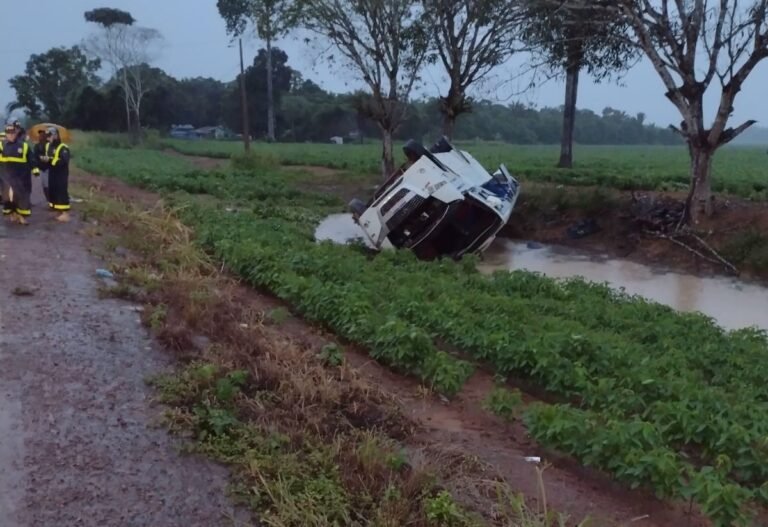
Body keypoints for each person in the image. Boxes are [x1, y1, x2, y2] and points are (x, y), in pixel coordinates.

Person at [0, 121, 34, 224]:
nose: (11, 134)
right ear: (6, 133)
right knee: (8, 197)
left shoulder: (23, 145)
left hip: (21, 175)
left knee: (21, 195)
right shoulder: (2, 145)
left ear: (16, 132)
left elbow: (31, 158)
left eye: (13, 132)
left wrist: (35, 169)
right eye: (8, 132)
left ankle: (22, 216)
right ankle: (12, 214)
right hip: (6, 175)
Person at [43, 126, 71, 222]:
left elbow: (63, 161)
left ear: (55, 136)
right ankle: (57, 211)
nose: (48, 138)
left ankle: (65, 214)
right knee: (53, 191)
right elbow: (49, 158)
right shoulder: (49, 146)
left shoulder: (63, 148)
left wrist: (50, 160)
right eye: (47, 136)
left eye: (49, 136)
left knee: (61, 192)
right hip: (52, 173)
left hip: (61, 174)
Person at [33, 129, 51, 206]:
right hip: (40, 167)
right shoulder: (37, 146)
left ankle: (50, 200)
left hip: (48, 168)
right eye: (40, 135)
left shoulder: (49, 145)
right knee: (44, 185)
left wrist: (47, 158)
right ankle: (49, 200)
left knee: (48, 185)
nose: (41, 136)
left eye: (42, 135)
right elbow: (35, 156)